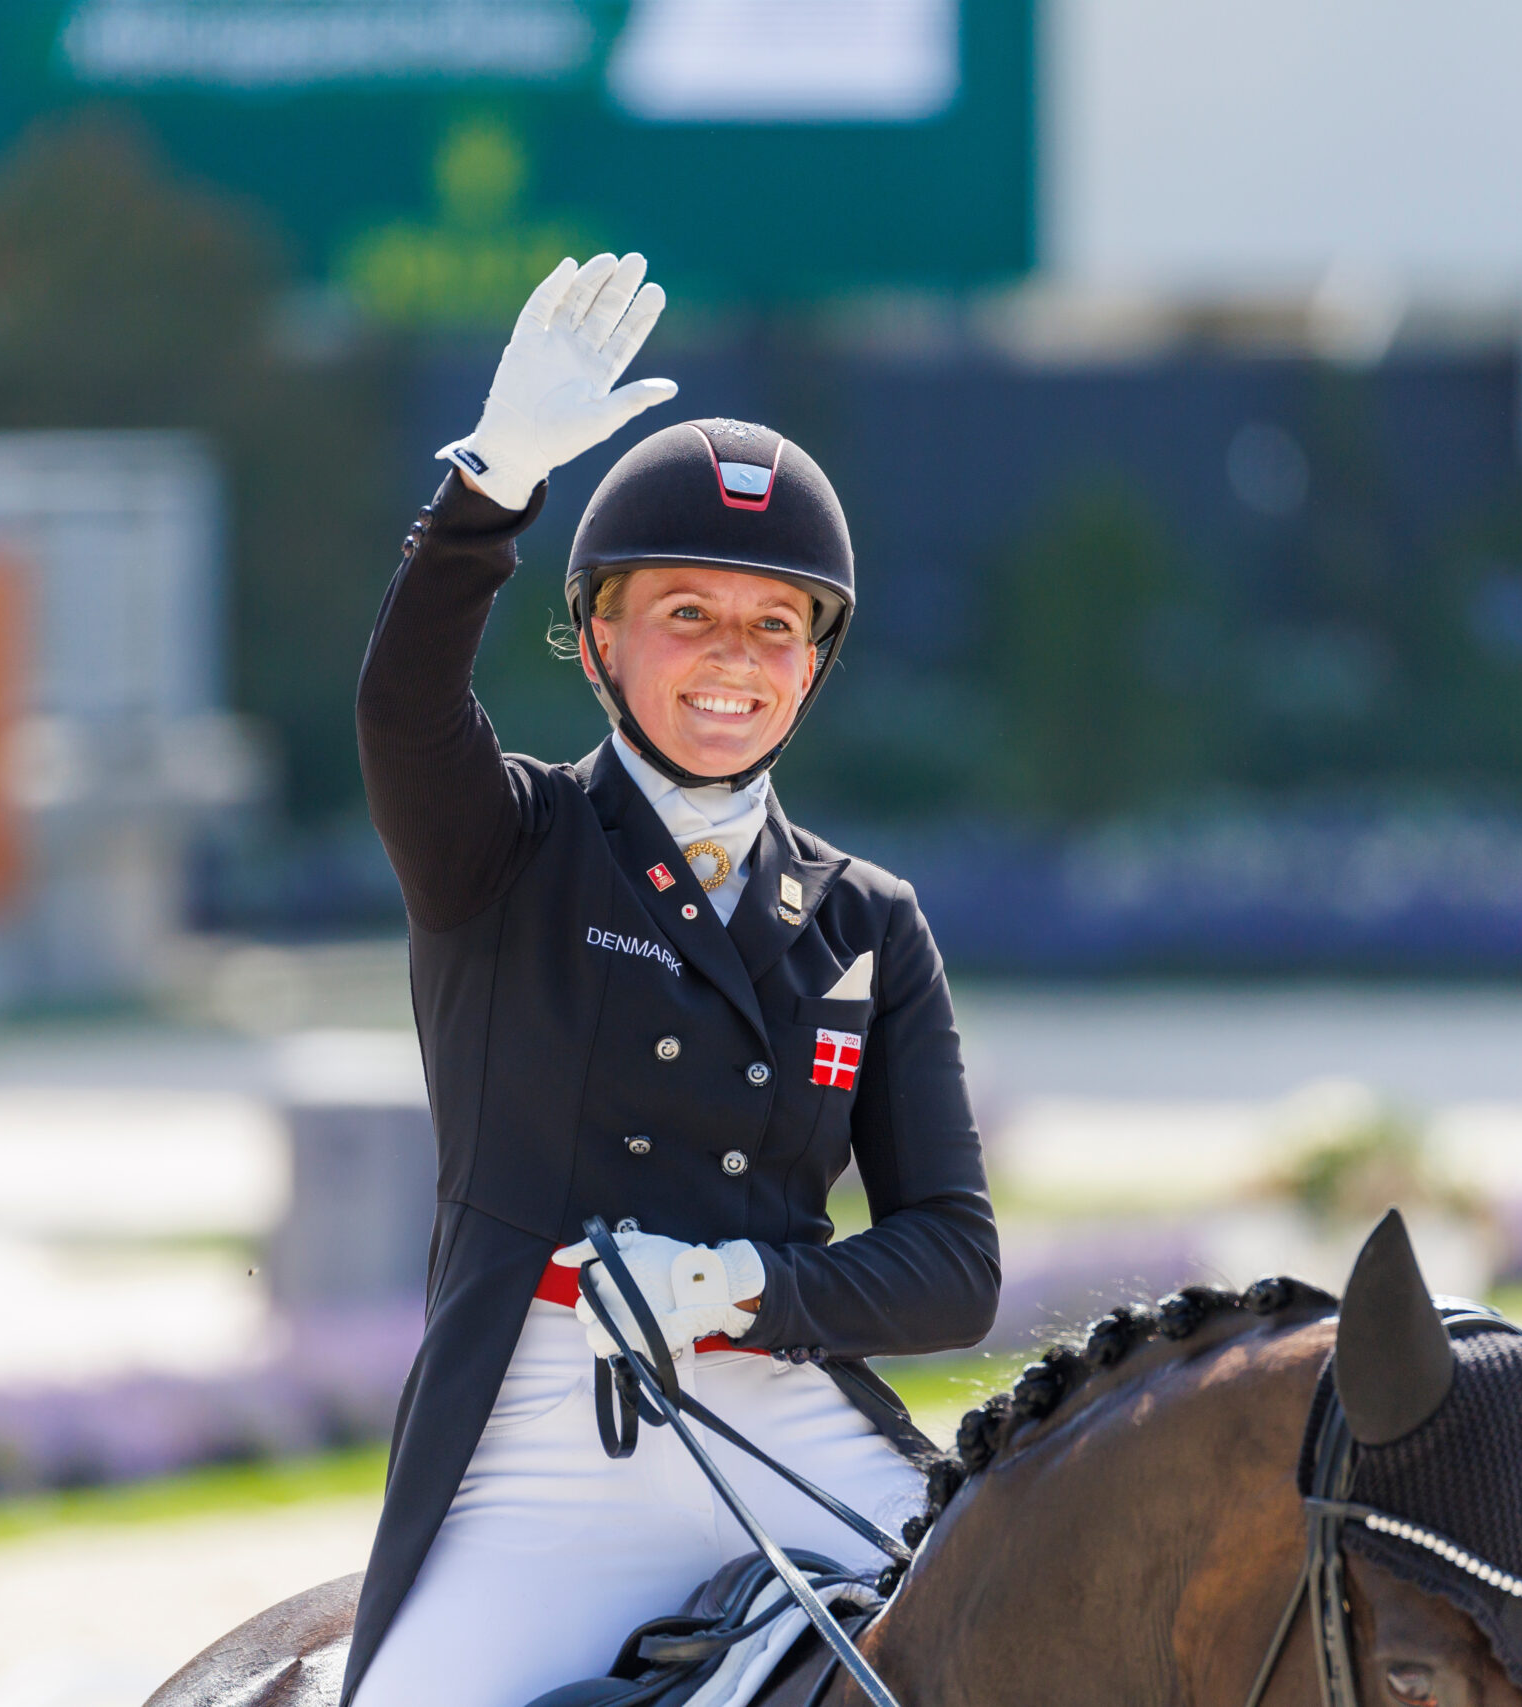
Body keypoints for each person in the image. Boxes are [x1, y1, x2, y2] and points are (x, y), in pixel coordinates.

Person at [345, 252, 999, 1707]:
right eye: (686, 613)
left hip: (794, 1426)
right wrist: (492, 486)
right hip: (542, 1455)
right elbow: (401, 705)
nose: (733, 659)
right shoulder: (502, 849)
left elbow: (956, 1263)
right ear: (595, 639)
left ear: (814, 665)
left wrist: (746, 1287)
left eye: (775, 626)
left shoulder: (867, 923)